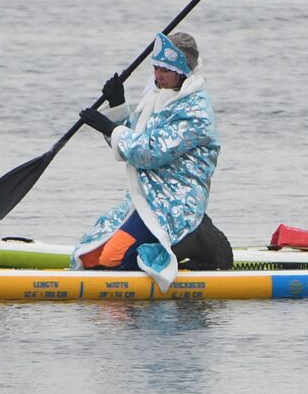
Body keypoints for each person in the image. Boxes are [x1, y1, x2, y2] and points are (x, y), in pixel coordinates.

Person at [73, 31, 231, 289]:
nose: (158, 76)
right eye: (156, 68)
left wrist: (110, 128)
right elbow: (128, 142)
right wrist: (117, 106)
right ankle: (179, 240)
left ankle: (200, 237)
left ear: (182, 72)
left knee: (113, 260)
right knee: (88, 258)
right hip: (145, 199)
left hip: (175, 204)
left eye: (165, 70)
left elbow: (148, 152)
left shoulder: (196, 113)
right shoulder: (157, 98)